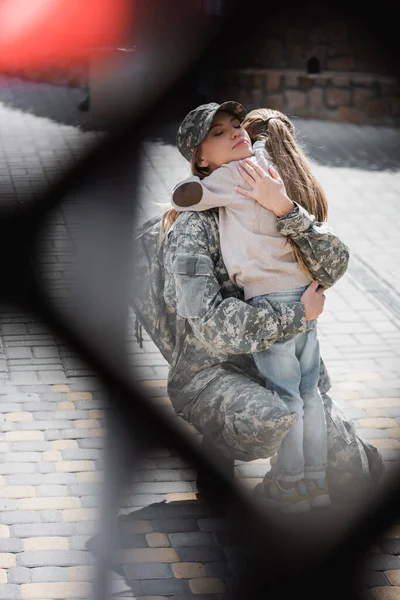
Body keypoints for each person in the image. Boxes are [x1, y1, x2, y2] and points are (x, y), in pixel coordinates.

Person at [158, 102, 383, 510]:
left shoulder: (266, 193)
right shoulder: (194, 225)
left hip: (282, 353)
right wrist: (298, 314)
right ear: (202, 159)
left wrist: (285, 208)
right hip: (218, 368)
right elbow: (210, 326)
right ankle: (219, 451)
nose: (235, 134)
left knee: (351, 471)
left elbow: (333, 266)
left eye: (235, 126)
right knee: (272, 416)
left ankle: (321, 472)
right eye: (218, 133)